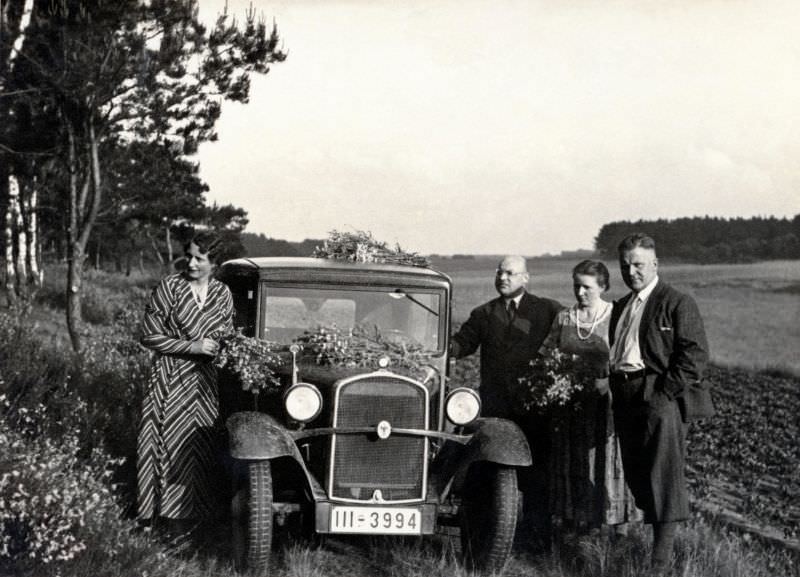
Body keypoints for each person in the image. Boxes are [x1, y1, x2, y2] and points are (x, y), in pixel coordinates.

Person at [609, 233, 713, 573]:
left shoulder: (677, 302)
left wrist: (663, 393)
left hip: (659, 398)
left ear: (655, 264)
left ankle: (659, 565)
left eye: (638, 264)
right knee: (639, 478)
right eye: (625, 265)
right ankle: (653, 552)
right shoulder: (622, 307)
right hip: (626, 397)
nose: (631, 272)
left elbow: (695, 355)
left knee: (663, 478)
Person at [450, 255, 562, 544]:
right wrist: (436, 348)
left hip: (535, 410)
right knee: (487, 469)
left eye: (511, 273)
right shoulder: (483, 314)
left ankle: (536, 538)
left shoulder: (547, 310)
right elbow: (462, 343)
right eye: (499, 272)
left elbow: (574, 333)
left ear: (525, 278)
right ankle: (484, 536)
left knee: (537, 475)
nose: (503, 278)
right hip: (496, 408)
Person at [137, 230, 234, 543]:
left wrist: (225, 351)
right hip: (168, 379)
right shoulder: (171, 286)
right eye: (189, 256)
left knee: (196, 449)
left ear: (214, 263)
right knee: (164, 446)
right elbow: (149, 335)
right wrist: (193, 347)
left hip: (203, 385)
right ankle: (157, 522)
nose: (191, 263)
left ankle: (190, 523)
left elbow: (227, 336)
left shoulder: (222, 294)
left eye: (200, 258)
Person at [538, 260, 640, 535]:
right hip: (569, 407)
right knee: (573, 460)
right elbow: (546, 354)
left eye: (587, 287)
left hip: (606, 405)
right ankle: (576, 525)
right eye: (576, 286)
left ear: (603, 287)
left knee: (604, 460)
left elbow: (630, 358)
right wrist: (554, 377)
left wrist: (609, 380)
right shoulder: (564, 317)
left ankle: (614, 529)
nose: (580, 293)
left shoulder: (617, 315)